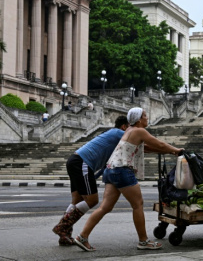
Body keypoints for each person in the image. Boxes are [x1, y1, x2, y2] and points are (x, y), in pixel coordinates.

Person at [74, 107, 183, 252]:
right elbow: (159, 144)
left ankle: (82, 236)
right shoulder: (139, 131)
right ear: (138, 119)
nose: (147, 117)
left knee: (105, 207)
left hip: (110, 170)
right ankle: (143, 241)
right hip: (122, 170)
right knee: (138, 205)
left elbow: (149, 148)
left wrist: (171, 151)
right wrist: (177, 150)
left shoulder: (129, 131)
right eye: (144, 115)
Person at [52, 116, 130, 246]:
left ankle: (64, 234)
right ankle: (62, 226)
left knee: (77, 201)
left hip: (75, 161)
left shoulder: (113, 136)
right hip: (82, 163)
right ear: (124, 127)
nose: (131, 132)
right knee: (92, 200)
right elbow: (137, 143)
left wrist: (93, 177)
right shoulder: (119, 133)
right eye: (130, 128)